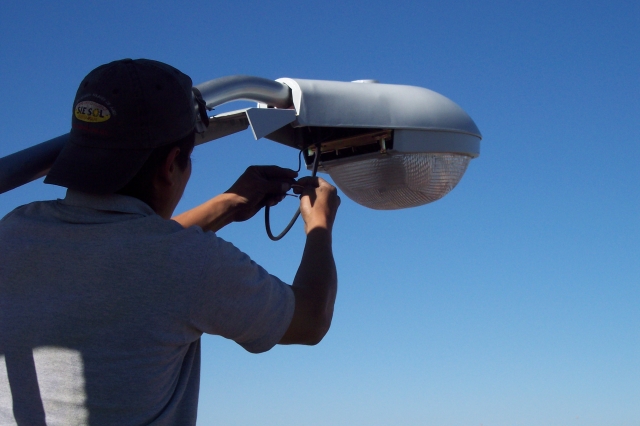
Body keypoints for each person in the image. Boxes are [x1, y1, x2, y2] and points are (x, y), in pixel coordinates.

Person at [0, 59, 340, 425]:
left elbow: (126, 254)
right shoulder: (190, 263)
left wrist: (228, 205)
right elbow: (310, 320)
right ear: (171, 164)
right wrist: (319, 226)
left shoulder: (14, 231)